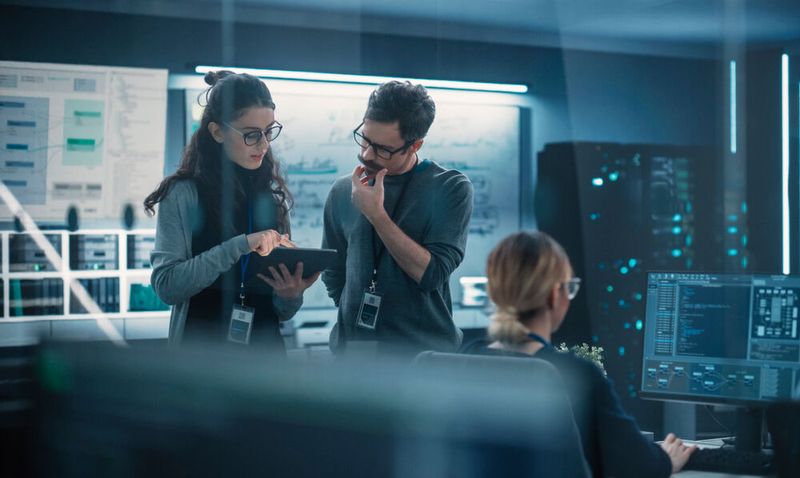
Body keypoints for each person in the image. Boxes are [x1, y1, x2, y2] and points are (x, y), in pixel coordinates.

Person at [464, 231, 696, 477]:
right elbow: (637, 466)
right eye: (569, 288)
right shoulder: (576, 375)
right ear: (554, 295)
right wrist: (665, 459)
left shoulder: (468, 359)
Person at [145, 70, 318, 354]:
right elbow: (168, 287)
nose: (264, 144)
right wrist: (241, 245)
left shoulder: (272, 197)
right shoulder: (183, 194)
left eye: (269, 131)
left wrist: (291, 294)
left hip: (266, 362)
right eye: (251, 135)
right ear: (217, 132)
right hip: (200, 360)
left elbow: (283, 313)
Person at [322, 80, 474, 357]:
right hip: (353, 356)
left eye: (383, 149)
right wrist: (354, 313)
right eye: (365, 139)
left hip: (421, 358)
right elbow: (333, 270)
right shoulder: (344, 190)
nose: (366, 154)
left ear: (415, 145)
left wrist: (376, 214)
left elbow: (432, 274)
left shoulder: (450, 188)